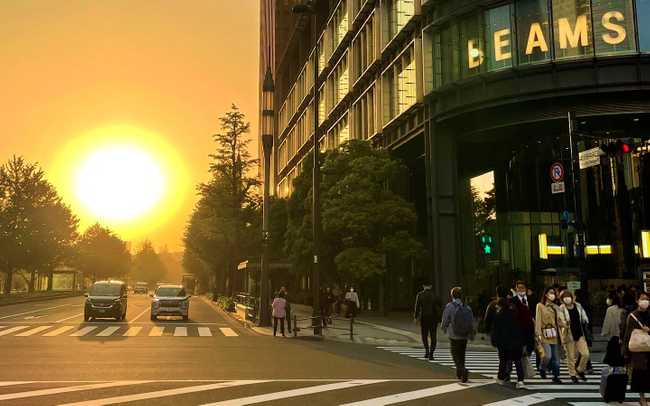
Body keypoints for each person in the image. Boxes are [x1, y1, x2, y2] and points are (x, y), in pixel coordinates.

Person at [442, 287, 475, 383]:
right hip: (464, 335)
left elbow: (445, 319)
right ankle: (460, 373)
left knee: (455, 354)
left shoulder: (450, 306)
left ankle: (462, 370)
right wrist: (471, 333)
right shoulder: (467, 307)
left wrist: (443, 328)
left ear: (452, 295)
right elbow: (471, 321)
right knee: (462, 354)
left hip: (454, 334)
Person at [622, 292, 650, 406]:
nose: (645, 301)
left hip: (649, 347)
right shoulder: (632, 316)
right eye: (642, 299)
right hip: (638, 349)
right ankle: (642, 397)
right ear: (637, 301)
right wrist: (625, 352)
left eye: (647, 299)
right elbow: (627, 334)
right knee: (640, 373)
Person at [492, 297, 527, 389]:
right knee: (518, 361)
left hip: (504, 343)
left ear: (500, 306)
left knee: (503, 361)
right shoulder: (515, 314)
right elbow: (520, 329)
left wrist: (495, 342)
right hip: (516, 343)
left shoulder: (498, 316)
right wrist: (522, 342)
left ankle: (500, 378)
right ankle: (520, 381)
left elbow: (495, 331)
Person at [559, 290, 590, 383]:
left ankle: (580, 370)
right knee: (571, 356)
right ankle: (572, 374)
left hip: (580, 334)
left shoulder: (578, 306)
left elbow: (584, 317)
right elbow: (560, 321)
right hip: (569, 334)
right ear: (562, 299)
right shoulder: (561, 308)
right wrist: (565, 323)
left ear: (572, 297)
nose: (567, 298)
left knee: (585, 354)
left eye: (568, 296)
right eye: (564, 297)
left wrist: (585, 320)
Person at [535, 287, 562, 383]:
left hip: (555, 335)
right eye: (551, 293)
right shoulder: (540, 306)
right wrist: (538, 334)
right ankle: (542, 368)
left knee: (556, 358)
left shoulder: (556, 307)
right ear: (546, 294)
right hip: (544, 335)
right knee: (547, 356)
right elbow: (538, 321)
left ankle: (556, 376)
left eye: (554, 293)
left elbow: (560, 321)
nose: (553, 295)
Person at [414, 281, 443, 360]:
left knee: (424, 335)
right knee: (433, 335)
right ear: (431, 286)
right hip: (433, 318)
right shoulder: (435, 295)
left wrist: (416, 317)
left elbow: (417, 307)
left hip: (424, 317)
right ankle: (431, 353)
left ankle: (426, 351)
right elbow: (440, 305)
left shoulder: (420, 295)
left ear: (423, 286)